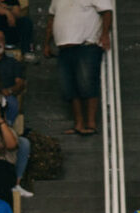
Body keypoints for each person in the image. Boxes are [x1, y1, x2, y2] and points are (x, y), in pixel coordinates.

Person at [44, 0, 112, 136]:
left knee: (87, 83)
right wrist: (46, 43)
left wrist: (104, 34)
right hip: (63, 48)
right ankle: (78, 124)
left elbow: (107, 12)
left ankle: (91, 124)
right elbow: (51, 19)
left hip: (86, 45)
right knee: (69, 87)